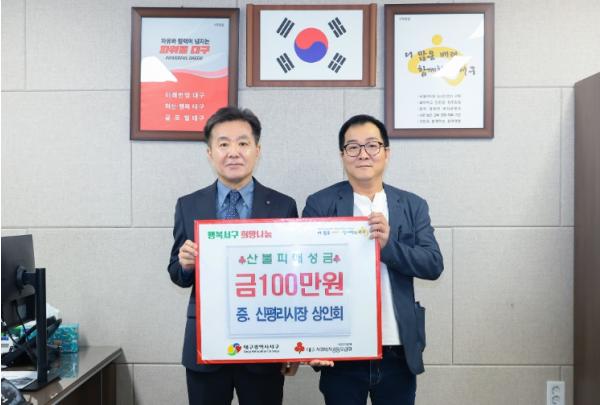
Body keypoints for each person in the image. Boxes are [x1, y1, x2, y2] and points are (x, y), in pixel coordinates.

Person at [302, 114, 444, 405]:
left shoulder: (412, 205)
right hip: (342, 348)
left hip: (396, 349)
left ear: (386, 152)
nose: (363, 154)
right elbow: (305, 274)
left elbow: (432, 264)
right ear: (343, 155)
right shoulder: (320, 203)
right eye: (353, 147)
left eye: (372, 145)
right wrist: (313, 340)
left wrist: (388, 245)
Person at [168, 106, 299, 405]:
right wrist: (185, 265)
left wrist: (292, 345)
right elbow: (176, 273)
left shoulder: (283, 205)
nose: (233, 152)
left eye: (243, 143)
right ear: (210, 153)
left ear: (257, 150)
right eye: (223, 144)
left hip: (265, 344)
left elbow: (292, 283)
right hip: (205, 344)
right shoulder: (188, 205)